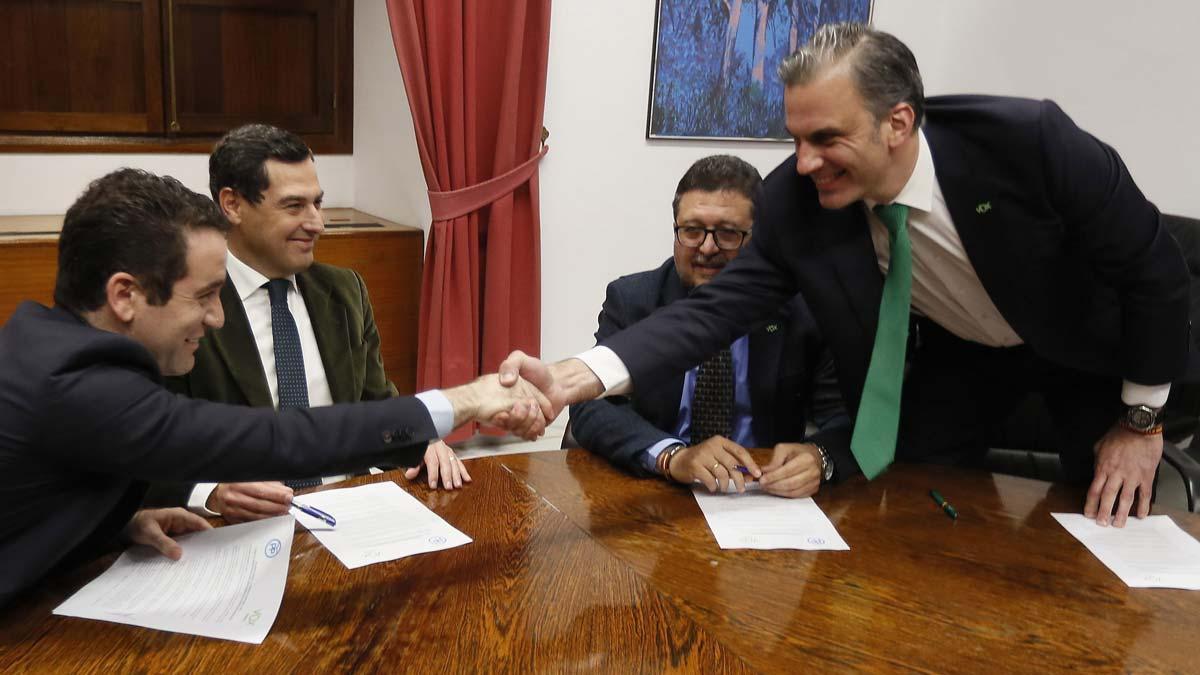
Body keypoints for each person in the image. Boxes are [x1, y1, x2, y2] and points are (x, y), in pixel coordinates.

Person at [498, 23, 1190, 528]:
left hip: (1090, 352)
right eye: (796, 138)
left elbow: (1154, 269)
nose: (804, 162)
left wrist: (1140, 419)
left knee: (1104, 513)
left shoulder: (1028, 141)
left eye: (827, 139)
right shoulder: (797, 202)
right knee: (911, 504)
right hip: (964, 357)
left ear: (898, 122)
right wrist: (571, 377)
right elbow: (710, 312)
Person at [0, 168, 549, 606]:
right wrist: (467, 399)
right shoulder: (74, 383)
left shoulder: (44, 341)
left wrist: (118, 524)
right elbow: (281, 439)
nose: (217, 318)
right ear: (125, 295)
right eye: (206, 295)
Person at [146, 125, 467, 525]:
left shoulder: (345, 291)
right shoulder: (187, 305)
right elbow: (150, 448)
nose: (317, 223)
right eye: (294, 206)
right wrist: (211, 494)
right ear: (232, 205)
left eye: (318, 204)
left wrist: (422, 439)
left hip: (351, 512)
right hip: (240, 529)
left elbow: (376, 404)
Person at [569, 155, 846, 497]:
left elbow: (847, 417)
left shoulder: (805, 308)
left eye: (728, 234)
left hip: (764, 495)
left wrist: (820, 456)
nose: (707, 248)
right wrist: (673, 456)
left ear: (761, 239)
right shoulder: (634, 300)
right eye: (692, 231)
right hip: (659, 491)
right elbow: (590, 406)